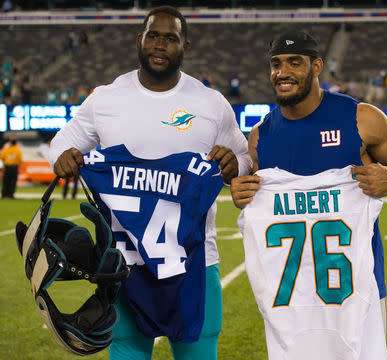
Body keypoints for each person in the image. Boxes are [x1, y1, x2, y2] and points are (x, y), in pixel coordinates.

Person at [48, 6, 251, 360]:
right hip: (125, 263)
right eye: (152, 35)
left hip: (194, 261)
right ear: (139, 40)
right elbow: (60, 144)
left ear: (184, 47)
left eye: (170, 38)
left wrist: (235, 163)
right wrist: (62, 157)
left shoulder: (211, 104)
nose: (160, 44)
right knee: (127, 350)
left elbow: (245, 158)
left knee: (199, 351)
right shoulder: (105, 99)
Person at [230, 30, 387, 359]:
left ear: (317, 66)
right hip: (291, 300)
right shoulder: (261, 136)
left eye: (295, 63)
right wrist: (242, 191)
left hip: (358, 289)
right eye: (276, 64)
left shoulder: (361, 118)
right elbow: (253, 191)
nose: (283, 72)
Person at [0, 134, 22, 198]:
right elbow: (2, 157)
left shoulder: (17, 148)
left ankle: (11, 194)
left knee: (13, 182)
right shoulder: (6, 147)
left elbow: (19, 158)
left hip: (14, 166)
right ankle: (4, 194)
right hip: (7, 166)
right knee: (6, 181)